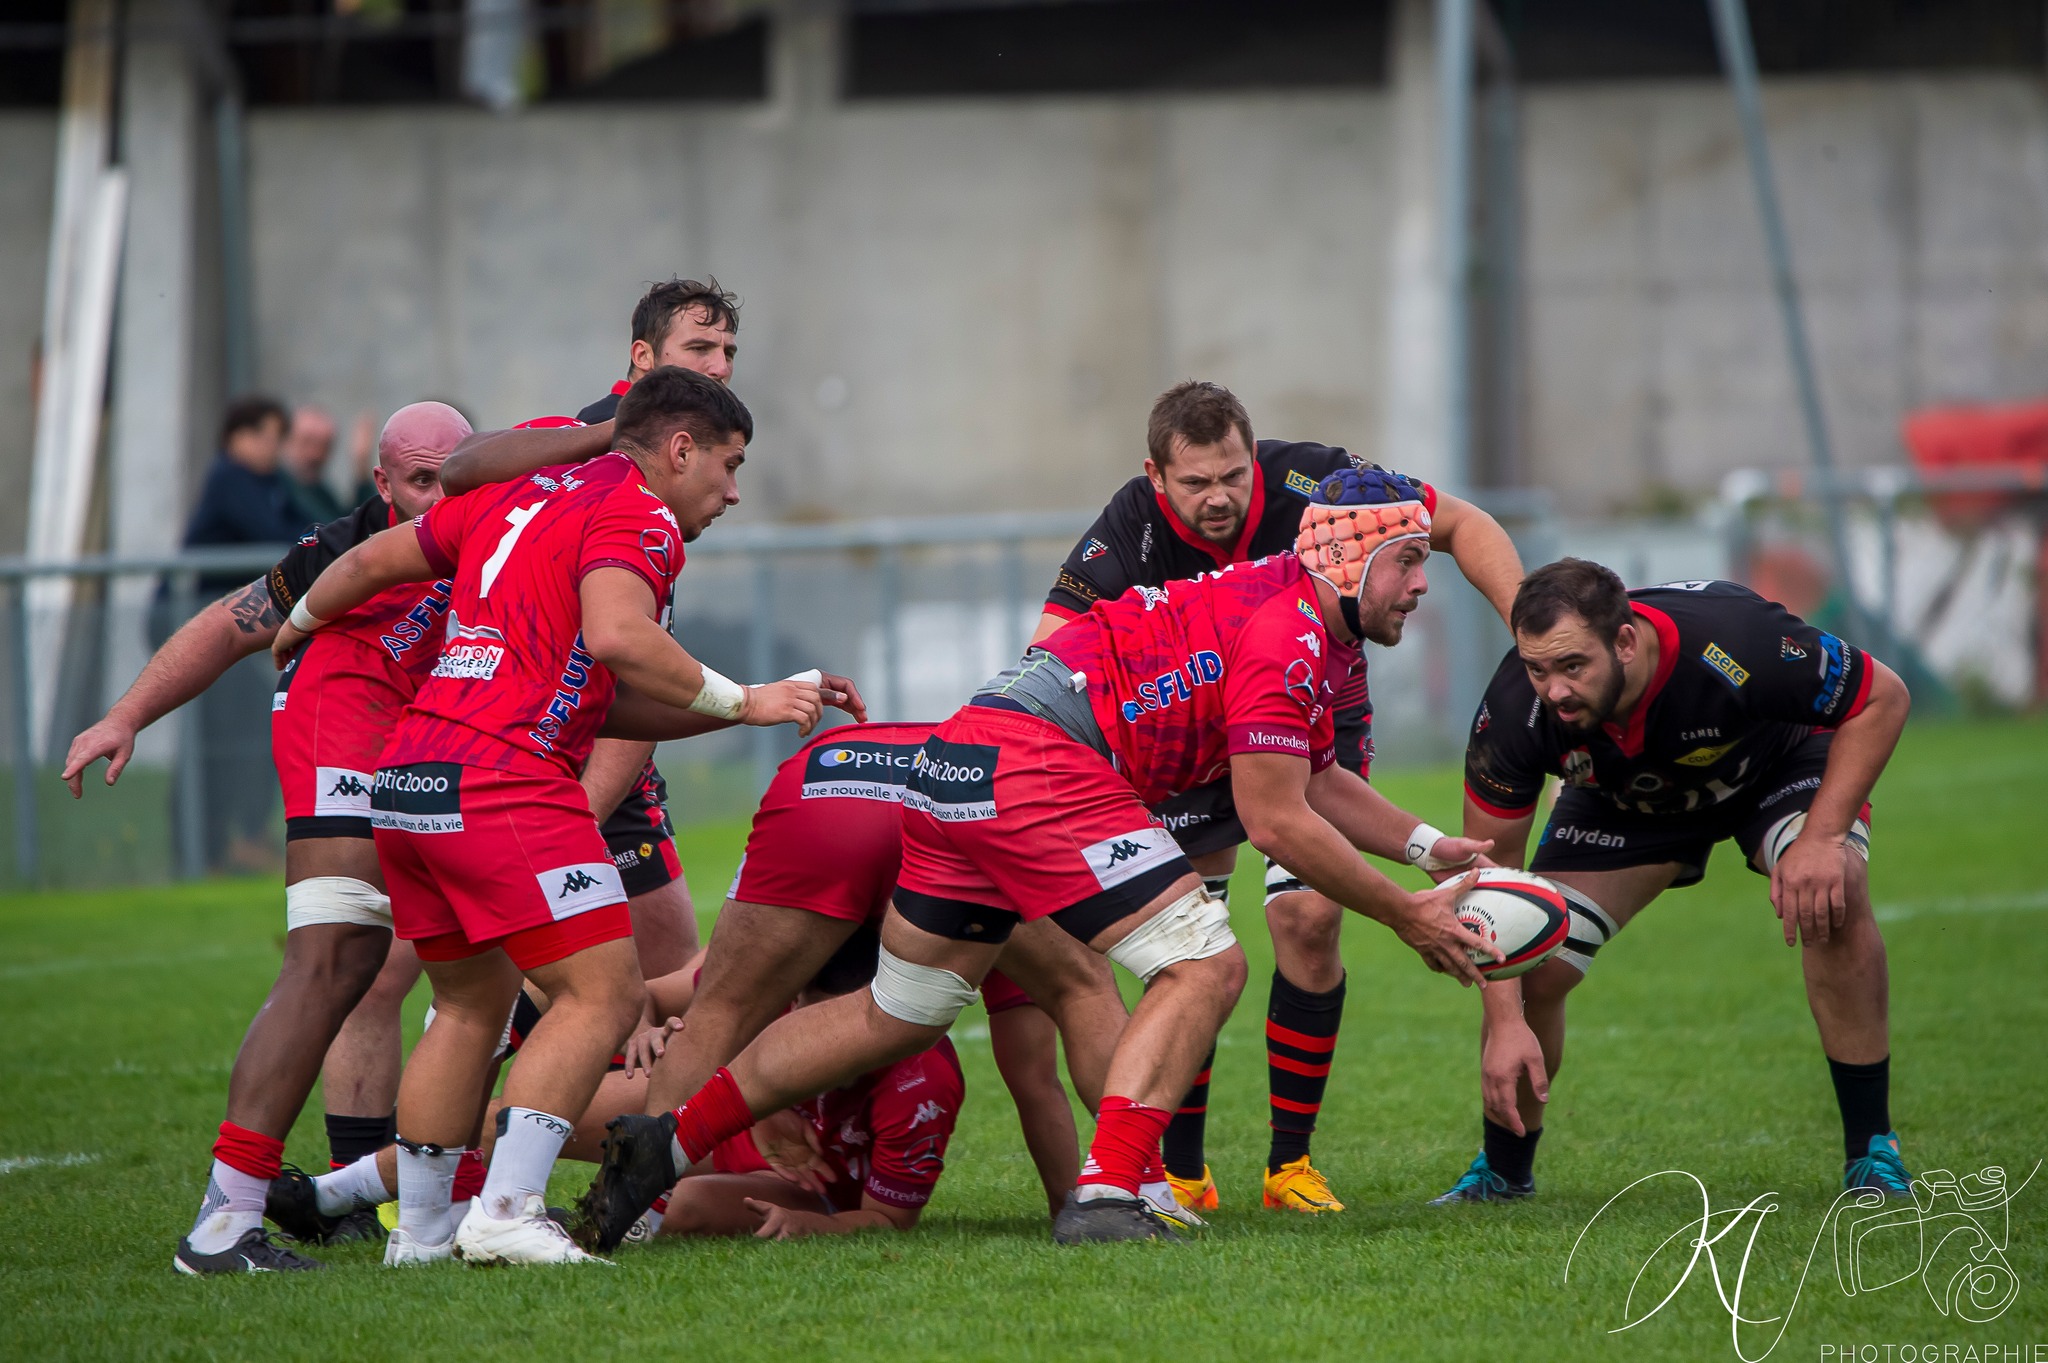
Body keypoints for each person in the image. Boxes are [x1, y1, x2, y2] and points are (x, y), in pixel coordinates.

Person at [575, 469, 1503, 1251]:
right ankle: (1107, 1192)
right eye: (1410, 560)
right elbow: (1275, 820)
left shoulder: (1313, 629)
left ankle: (664, 1142)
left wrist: (1428, 849)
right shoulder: (1290, 631)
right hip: (1039, 758)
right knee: (1206, 962)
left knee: (899, 1010)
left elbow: (1319, 777)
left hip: (958, 757)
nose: (1424, 583)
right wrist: (1405, 911)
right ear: (1350, 557)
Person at [269, 366, 843, 1267]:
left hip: (413, 775)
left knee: (467, 1006)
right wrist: (744, 700)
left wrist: (301, 615)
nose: (732, 491)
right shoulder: (638, 512)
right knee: (605, 991)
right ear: (679, 448)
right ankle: (505, 1209)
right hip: (501, 778)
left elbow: (384, 560)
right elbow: (619, 637)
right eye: (728, 466)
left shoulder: (527, 493)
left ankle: (418, 1232)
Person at [1033, 380, 1524, 1214]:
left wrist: (1532, 636)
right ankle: (1183, 1171)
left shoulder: (1317, 486)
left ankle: (1288, 1165)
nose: (1220, 496)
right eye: (1196, 484)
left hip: (1313, 700)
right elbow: (1051, 648)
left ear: (1252, 456)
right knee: (1188, 935)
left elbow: (1462, 523)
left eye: (1234, 474)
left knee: (1308, 914)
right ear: (1156, 476)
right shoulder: (1126, 526)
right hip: (1191, 729)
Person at [62, 402, 474, 1274]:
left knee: (434, 959)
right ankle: (237, 1221)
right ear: (384, 483)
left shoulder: (491, 524)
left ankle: (398, 1197)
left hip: (418, 742)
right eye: (420, 481)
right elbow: (228, 622)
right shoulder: (341, 544)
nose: (439, 497)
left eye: (455, 475)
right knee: (335, 961)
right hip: (341, 727)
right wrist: (126, 714)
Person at [1437, 558, 1912, 1204]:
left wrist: (1824, 839)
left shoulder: (1734, 639)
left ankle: (1872, 1151)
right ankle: (1503, 1171)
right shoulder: (1516, 710)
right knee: (1533, 962)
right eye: (1538, 669)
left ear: (1626, 641)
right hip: (1623, 800)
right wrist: (1505, 1020)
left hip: (1774, 765)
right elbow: (1489, 877)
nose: (1554, 690)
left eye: (1573, 666)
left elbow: (1882, 696)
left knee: (1834, 893)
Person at [572, 720, 1156, 1237]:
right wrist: (1064, 1203)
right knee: (1082, 990)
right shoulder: (1003, 885)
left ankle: (637, 1203)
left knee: (720, 1013)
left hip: (829, 778)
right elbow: (1035, 1083)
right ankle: (1125, 1194)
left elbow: (712, 1015)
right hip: (970, 799)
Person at [438, 277, 745, 982]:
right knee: (572, 997)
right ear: (643, 355)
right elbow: (459, 472)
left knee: (656, 991)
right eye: (699, 346)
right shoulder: (590, 441)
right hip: (515, 753)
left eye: (727, 349)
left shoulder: (683, 455)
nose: (720, 364)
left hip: (584, 751)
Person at [178, 394, 307, 869]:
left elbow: (301, 531)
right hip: (190, 621)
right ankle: (209, 848)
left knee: (250, 728)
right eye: (269, 437)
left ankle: (234, 841)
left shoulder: (269, 480)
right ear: (239, 437)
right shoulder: (231, 478)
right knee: (222, 739)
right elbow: (272, 531)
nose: (276, 449)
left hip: (229, 629)